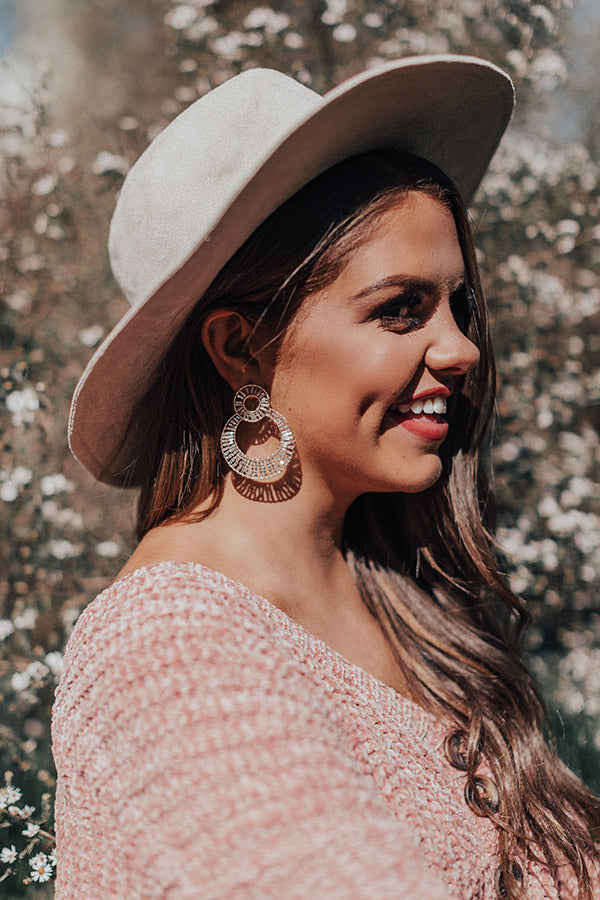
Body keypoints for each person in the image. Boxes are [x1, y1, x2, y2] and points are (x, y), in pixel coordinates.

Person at [51, 57, 599, 899]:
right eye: (399, 309)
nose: (461, 348)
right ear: (238, 349)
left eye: (458, 305)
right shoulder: (169, 649)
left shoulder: (404, 597)